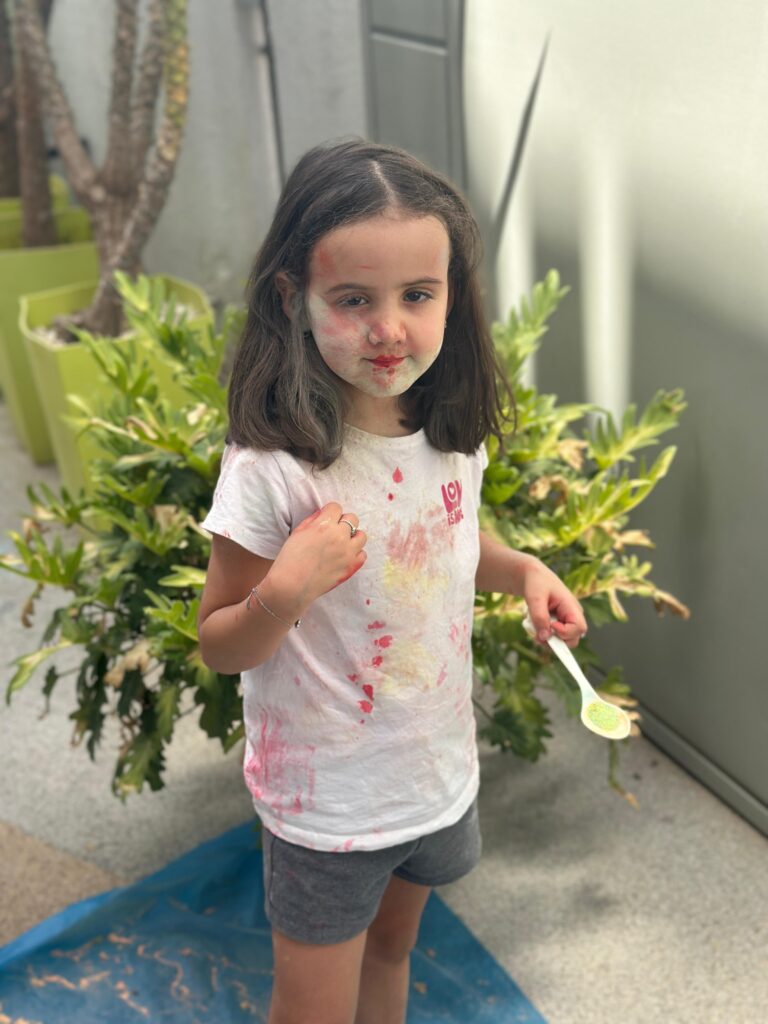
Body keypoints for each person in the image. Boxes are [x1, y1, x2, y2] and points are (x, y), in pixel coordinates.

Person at [198, 138, 587, 1024]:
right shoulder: (275, 469)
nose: (390, 329)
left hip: (435, 777)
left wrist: (524, 570)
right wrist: (285, 592)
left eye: (417, 295)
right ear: (293, 300)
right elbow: (219, 643)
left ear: (453, 293)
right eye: (354, 299)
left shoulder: (447, 432)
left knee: (393, 952)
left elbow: (448, 538)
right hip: (329, 808)